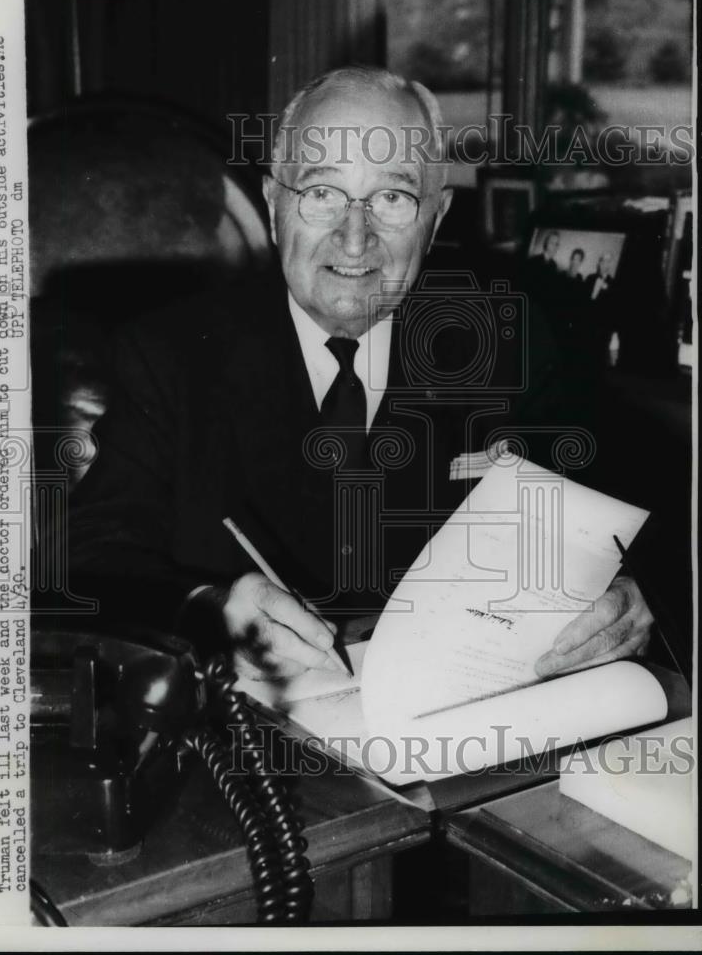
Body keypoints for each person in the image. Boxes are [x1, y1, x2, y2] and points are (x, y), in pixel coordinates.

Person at [64, 66, 652, 684]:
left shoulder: (509, 344)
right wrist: (207, 613)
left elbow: (601, 522)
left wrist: (629, 597)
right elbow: (93, 561)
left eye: (392, 199)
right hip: (239, 735)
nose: (354, 240)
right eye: (321, 193)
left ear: (438, 217)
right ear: (272, 205)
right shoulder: (170, 353)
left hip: (456, 729)